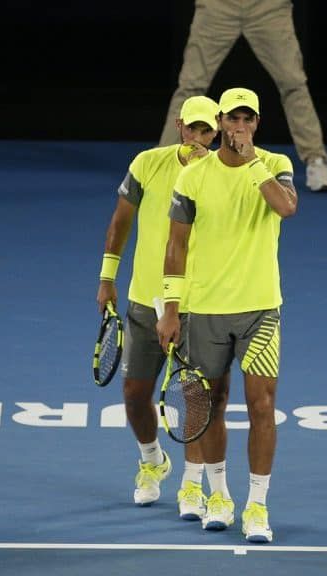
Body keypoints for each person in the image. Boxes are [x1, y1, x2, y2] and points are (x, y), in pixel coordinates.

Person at [157, 87, 296, 543]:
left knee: (262, 407)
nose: (239, 127)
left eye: (247, 119)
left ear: (256, 124)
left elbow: (286, 207)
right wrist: (171, 309)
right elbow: (175, 246)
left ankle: (257, 505)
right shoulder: (194, 176)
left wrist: (252, 161)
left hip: (261, 310)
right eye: (232, 119)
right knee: (209, 405)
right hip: (204, 310)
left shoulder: (275, 164)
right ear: (219, 123)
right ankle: (218, 495)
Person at [97, 95, 222, 519]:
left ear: (216, 132)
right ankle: (152, 460)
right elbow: (120, 221)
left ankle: (194, 484)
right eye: (193, 128)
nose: (198, 138)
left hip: (197, 303)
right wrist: (107, 277)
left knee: (194, 396)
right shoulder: (147, 163)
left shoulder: (222, 175)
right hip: (143, 299)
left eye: (207, 131)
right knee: (135, 395)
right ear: (180, 126)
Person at [157, 0, 327, 193]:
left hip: (268, 6)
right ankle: (161, 163)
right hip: (218, 6)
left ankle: (316, 160)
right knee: (191, 85)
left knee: (293, 83)